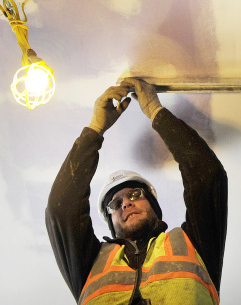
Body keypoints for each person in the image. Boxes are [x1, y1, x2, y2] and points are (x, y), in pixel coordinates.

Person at [46, 77, 227, 304]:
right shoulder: (88, 263)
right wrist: (95, 129)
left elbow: (207, 175)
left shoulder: (195, 243)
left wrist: (156, 112)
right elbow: (61, 210)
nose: (125, 204)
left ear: (154, 204)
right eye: (115, 204)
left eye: (135, 194)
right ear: (110, 221)